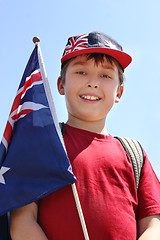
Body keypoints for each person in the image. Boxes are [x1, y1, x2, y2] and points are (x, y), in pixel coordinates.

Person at [10, 31, 160, 240]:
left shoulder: (135, 154)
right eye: (81, 72)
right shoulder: (43, 145)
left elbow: (154, 225)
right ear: (61, 85)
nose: (93, 82)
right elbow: (21, 220)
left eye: (106, 75)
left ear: (119, 92)